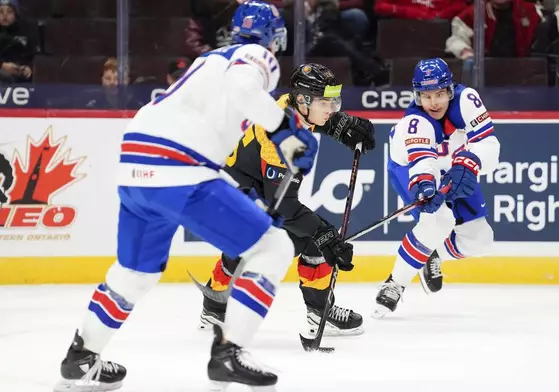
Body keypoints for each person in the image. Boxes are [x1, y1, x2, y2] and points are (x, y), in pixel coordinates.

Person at [54, 2, 322, 391]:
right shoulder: (256, 56)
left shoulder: (209, 60)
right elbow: (243, 88)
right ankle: (230, 352)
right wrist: (285, 130)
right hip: (177, 166)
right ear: (274, 37)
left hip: (135, 167)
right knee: (274, 246)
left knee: (135, 273)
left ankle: (81, 356)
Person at [197, 63, 376, 337]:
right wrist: (325, 234)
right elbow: (284, 205)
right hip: (229, 195)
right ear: (303, 101)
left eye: (334, 101)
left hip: (245, 190)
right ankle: (215, 307)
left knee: (308, 238)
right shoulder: (278, 139)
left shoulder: (288, 109)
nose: (332, 109)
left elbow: (310, 121)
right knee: (278, 243)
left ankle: (318, 312)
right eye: (325, 102)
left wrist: (339, 126)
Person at [373, 58, 500, 318]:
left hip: (454, 167)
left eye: (440, 94)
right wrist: (424, 186)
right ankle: (394, 283)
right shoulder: (415, 122)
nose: (434, 102)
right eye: (426, 95)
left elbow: (490, 145)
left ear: (450, 89)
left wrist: (471, 162)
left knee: (480, 239)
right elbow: (422, 162)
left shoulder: (467, 101)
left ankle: (431, 253)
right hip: (410, 169)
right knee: (438, 221)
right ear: (417, 95)